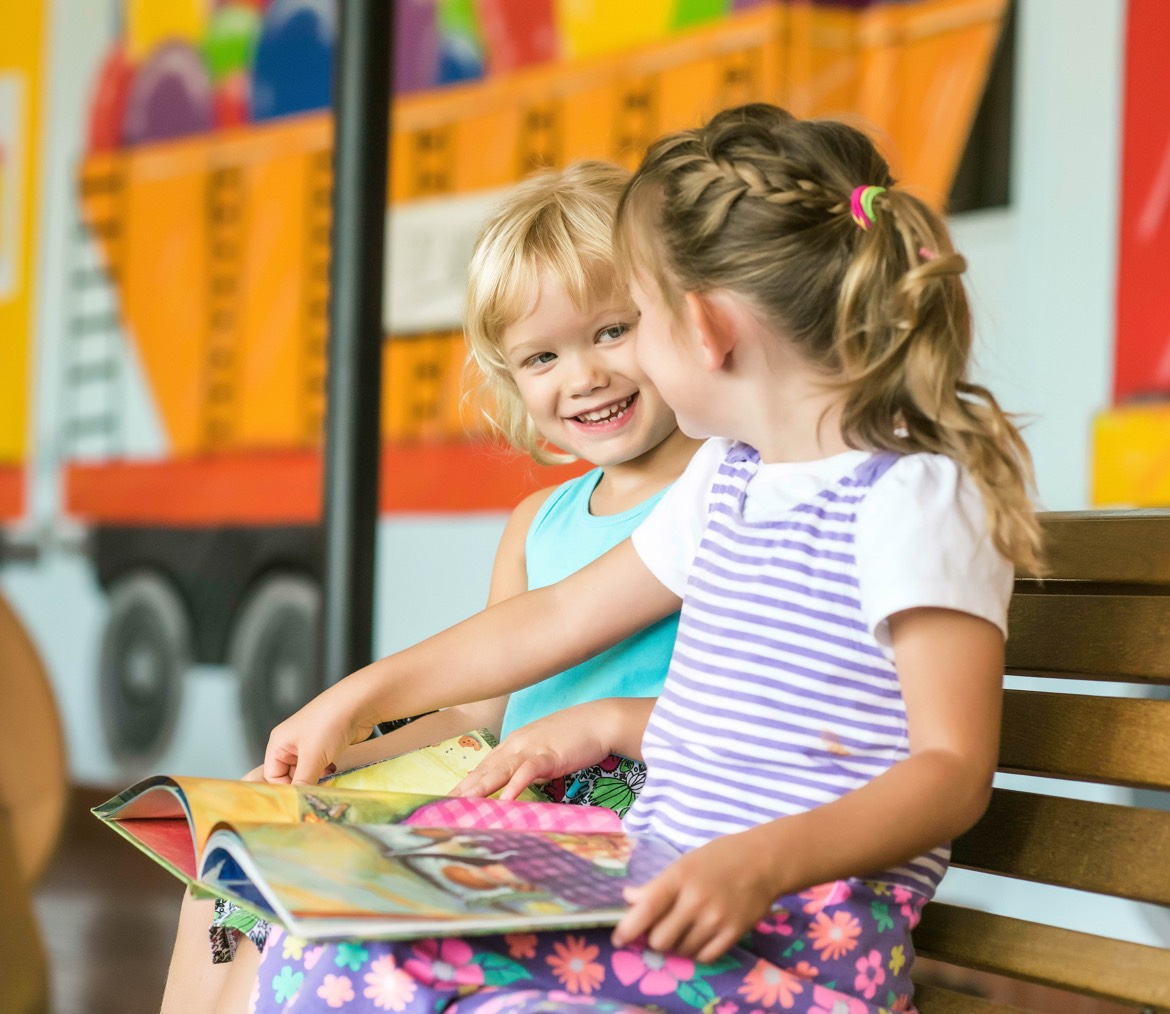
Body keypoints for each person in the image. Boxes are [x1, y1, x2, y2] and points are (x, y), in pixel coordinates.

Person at [252, 102, 1044, 1014]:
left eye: (634, 321)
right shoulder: (732, 481)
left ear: (703, 331)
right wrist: (355, 699)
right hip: (660, 898)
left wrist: (760, 860)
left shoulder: (914, 500)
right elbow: (552, 617)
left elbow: (949, 768)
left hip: (797, 933)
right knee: (330, 937)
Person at [158, 160, 699, 1014]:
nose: (583, 376)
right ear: (510, 377)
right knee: (233, 869)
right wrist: (334, 771)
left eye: (611, 331)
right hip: (507, 790)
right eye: (543, 355)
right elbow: (481, 718)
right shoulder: (538, 523)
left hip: (623, 799)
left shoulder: (716, 491)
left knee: (322, 914)